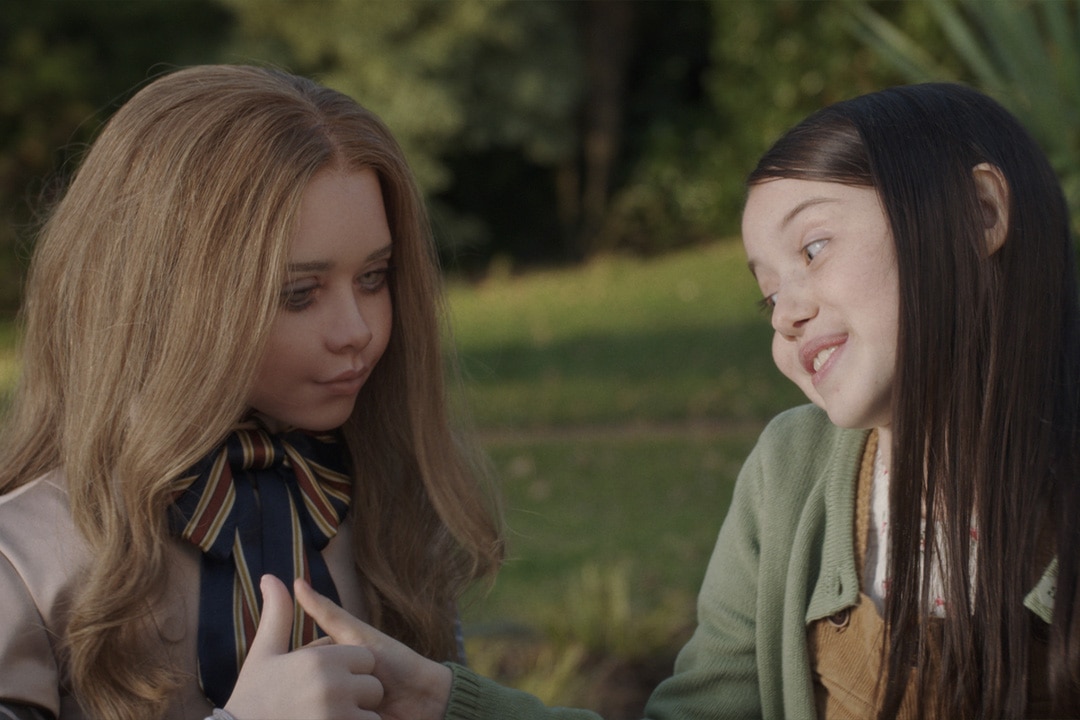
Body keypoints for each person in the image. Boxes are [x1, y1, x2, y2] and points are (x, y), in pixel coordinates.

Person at [301, 82, 1080, 719]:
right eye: (766, 293)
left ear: (979, 213)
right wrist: (443, 703)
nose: (786, 311)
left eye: (813, 249)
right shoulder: (792, 473)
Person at [0, 64, 504, 720]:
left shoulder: (392, 510)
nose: (356, 330)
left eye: (375, 277)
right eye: (298, 293)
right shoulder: (26, 560)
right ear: (160, 297)